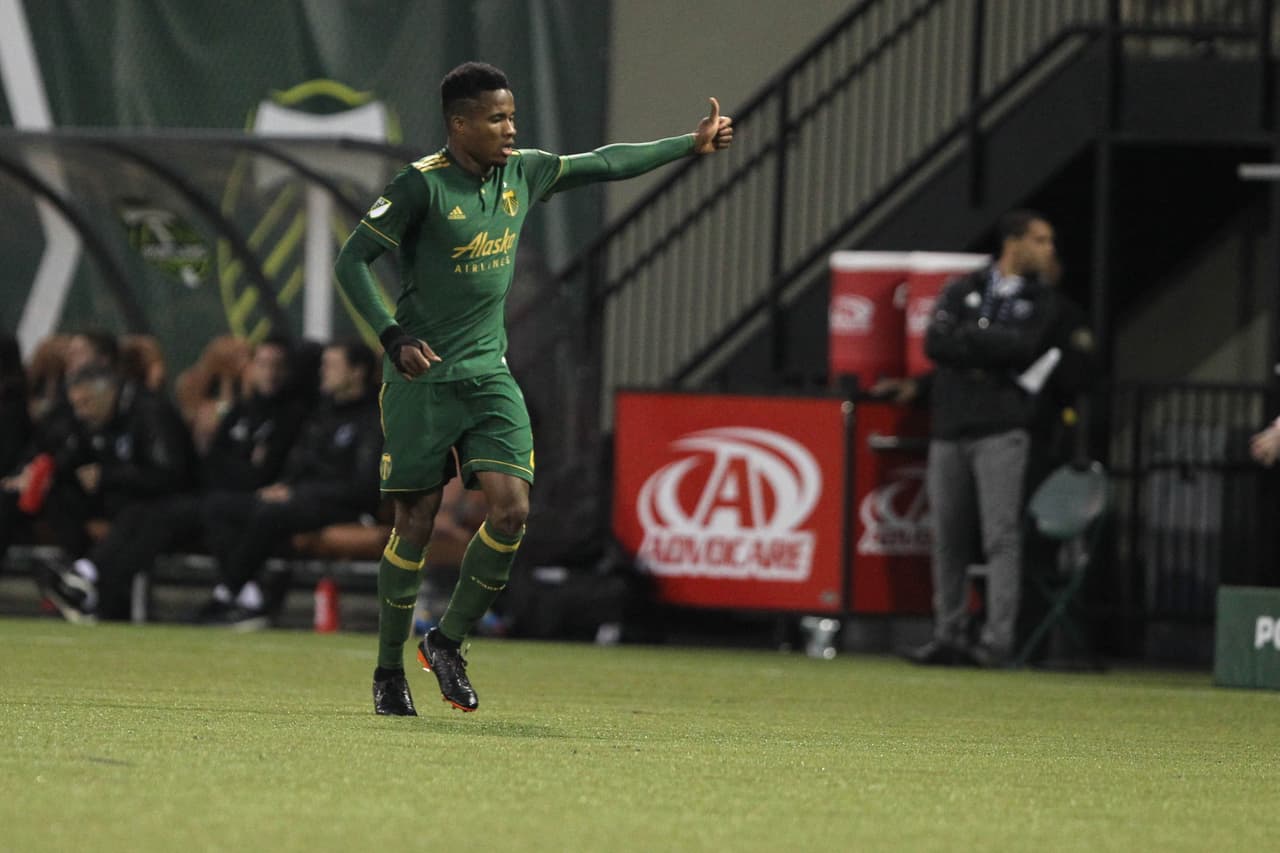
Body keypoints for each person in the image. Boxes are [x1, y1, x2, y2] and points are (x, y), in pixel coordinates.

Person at [334, 61, 733, 716]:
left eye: (513, 114)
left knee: (513, 509)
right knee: (414, 522)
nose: (510, 128)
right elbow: (351, 261)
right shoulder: (419, 189)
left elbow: (603, 162)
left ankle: (447, 639)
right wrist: (390, 336)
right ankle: (386, 670)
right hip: (421, 377)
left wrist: (686, 145)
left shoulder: (525, 173)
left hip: (489, 374)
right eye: (495, 117)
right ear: (459, 124)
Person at [906, 210, 1059, 669]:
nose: (1049, 249)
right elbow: (935, 343)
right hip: (951, 426)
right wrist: (991, 343)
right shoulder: (963, 287)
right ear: (1014, 243)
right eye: (1041, 239)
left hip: (1001, 428)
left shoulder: (1041, 299)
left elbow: (1024, 348)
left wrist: (971, 339)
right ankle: (947, 634)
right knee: (948, 537)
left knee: (1000, 537)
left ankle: (996, 642)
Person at [197, 339, 382, 628]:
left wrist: (296, 492)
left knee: (270, 514)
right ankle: (251, 597)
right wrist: (285, 485)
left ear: (357, 372)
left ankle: (227, 594)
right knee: (219, 507)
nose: (324, 372)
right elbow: (302, 462)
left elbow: (364, 486)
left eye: (332, 366)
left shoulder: (375, 419)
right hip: (303, 499)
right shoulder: (323, 412)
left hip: (343, 506)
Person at [32, 364, 196, 621]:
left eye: (85, 403)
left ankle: (83, 580)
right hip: (124, 504)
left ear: (108, 392)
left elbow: (170, 477)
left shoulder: (150, 411)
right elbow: (70, 455)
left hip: (173, 507)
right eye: (76, 405)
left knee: (140, 515)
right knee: (60, 497)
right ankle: (82, 583)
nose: (80, 412)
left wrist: (108, 475)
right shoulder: (97, 420)